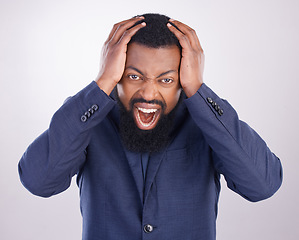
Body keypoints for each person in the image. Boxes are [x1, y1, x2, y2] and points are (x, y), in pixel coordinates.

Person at [18, 13, 283, 240]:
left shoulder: (206, 122)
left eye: (166, 80)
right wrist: (101, 83)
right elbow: (37, 181)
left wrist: (198, 90)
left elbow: (262, 185)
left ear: (182, 78)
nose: (148, 92)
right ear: (116, 71)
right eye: (134, 76)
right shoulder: (89, 117)